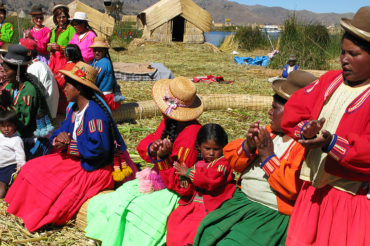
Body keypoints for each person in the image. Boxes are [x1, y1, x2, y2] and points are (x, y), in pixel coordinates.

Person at [5, 61, 137, 232]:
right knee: (31, 167)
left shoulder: (95, 115)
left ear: (79, 88)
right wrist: (58, 140)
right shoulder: (75, 109)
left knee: (51, 185)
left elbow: (99, 150)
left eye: (67, 85)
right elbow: (62, 130)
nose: (64, 89)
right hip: (75, 159)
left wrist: (69, 146)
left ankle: (35, 215)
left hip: (93, 168)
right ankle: (17, 207)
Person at [193, 70, 317, 246]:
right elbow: (232, 159)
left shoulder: (305, 146)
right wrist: (249, 146)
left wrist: (268, 156)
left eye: (275, 108)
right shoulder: (271, 134)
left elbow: (293, 188)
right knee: (207, 234)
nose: (269, 112)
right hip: (241, 204)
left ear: (293, 112)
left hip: (269, 216)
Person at [281, 6, 370, 246]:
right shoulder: (331, 81)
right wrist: (305, 131)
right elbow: (295, 110)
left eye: (354, 54)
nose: (344, 60)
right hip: (312, 191)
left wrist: (332, 143)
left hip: (348, 199)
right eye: (342, 53)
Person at [85, 76, 203, 246]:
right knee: (120, 195)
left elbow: (181, 184)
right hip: (159, 179)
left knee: (138, 208)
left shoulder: (191, 135)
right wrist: (153, 148)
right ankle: (104, 235)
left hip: (175, 193)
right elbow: (146, 143)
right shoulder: (169, 122)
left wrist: (163, 159)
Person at [166, 123, 235, 246]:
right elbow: (189, 188)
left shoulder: (223, 164)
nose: (211, 153)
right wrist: (183, 178)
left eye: (216, 149)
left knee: (195, 229)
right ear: (199, 147)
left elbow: (211, 180)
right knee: (176, 222)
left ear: (223, 148)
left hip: (212, 206)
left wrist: (188, 172)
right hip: (193, 205)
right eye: (207, 148)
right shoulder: (198, 164)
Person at [1, 44, 51, 139]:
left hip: (29, 137)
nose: (4, 74)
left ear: (18, 71)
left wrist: (7, 104)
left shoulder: (29, 91)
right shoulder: (9, 85)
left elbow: (23, 123)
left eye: (6, 71)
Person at [20, 38, 59, 119]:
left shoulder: (33, 68)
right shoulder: (38, 64)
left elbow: (33, 93)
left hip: (46, 113)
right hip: (50, 109)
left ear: (29, 52)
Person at [90, 37, 124, 111]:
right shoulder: (95, 61)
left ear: (104, 51)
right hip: (99, 94)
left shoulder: (104, 62)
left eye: (100, 50)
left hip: (104, 97)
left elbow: (96, 78)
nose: (97, 52)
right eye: (95, 50)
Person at [0, 110, 25, 198]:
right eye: (3, 126)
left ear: (15, 125)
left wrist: (20, 168)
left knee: (1, 184)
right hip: (1, 164)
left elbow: (20, 156)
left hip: (8, 167)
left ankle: (1, 201)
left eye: (9, 126)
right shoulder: (1, 136)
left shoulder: (16, 140)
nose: (6, 129)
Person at [54, 44, 84, 114]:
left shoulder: (67, 68)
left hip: (66, 102)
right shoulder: (81, 65)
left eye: (64, 53)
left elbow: (59, 83)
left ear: (67, 55)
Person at [48, 4, 76, 74]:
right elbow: (48, 47)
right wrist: (50, 47)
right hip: (54, 60)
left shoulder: (70, 29)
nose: (61, 19)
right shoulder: (54, 30)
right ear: (55, 18)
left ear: (67, 17)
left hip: (64, 60)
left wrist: (60, 48)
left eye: (63, 17)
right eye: (59, 17)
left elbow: (73, 47)